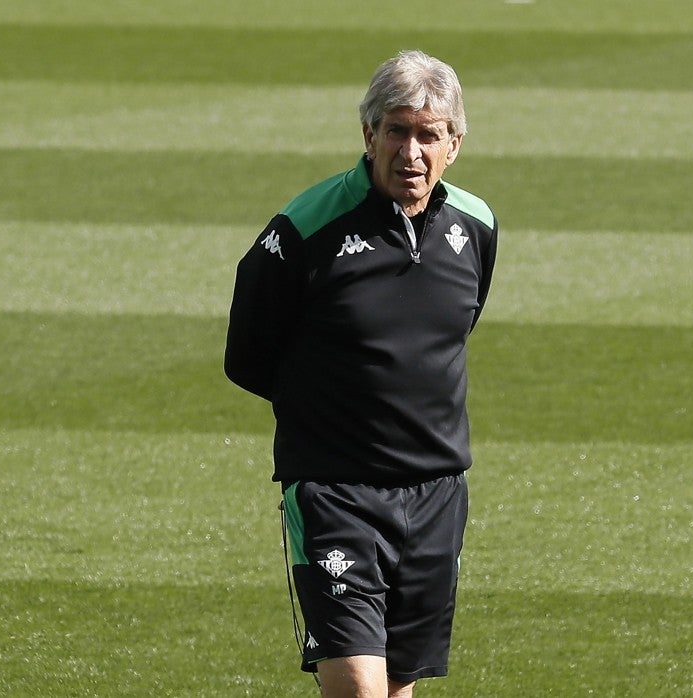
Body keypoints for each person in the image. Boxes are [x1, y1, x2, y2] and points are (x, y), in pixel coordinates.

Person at [224, 49, 498, 698]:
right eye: (397, 131)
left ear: (453, 145)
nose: (411, 152)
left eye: (428, 135)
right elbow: (246, 355)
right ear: (368, 134)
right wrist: (334, 415)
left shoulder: (476, 227)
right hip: (335, 493)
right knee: (357, 690)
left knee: (398, 687)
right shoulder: (305, 229)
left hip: (436, 492)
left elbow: (448, 332)